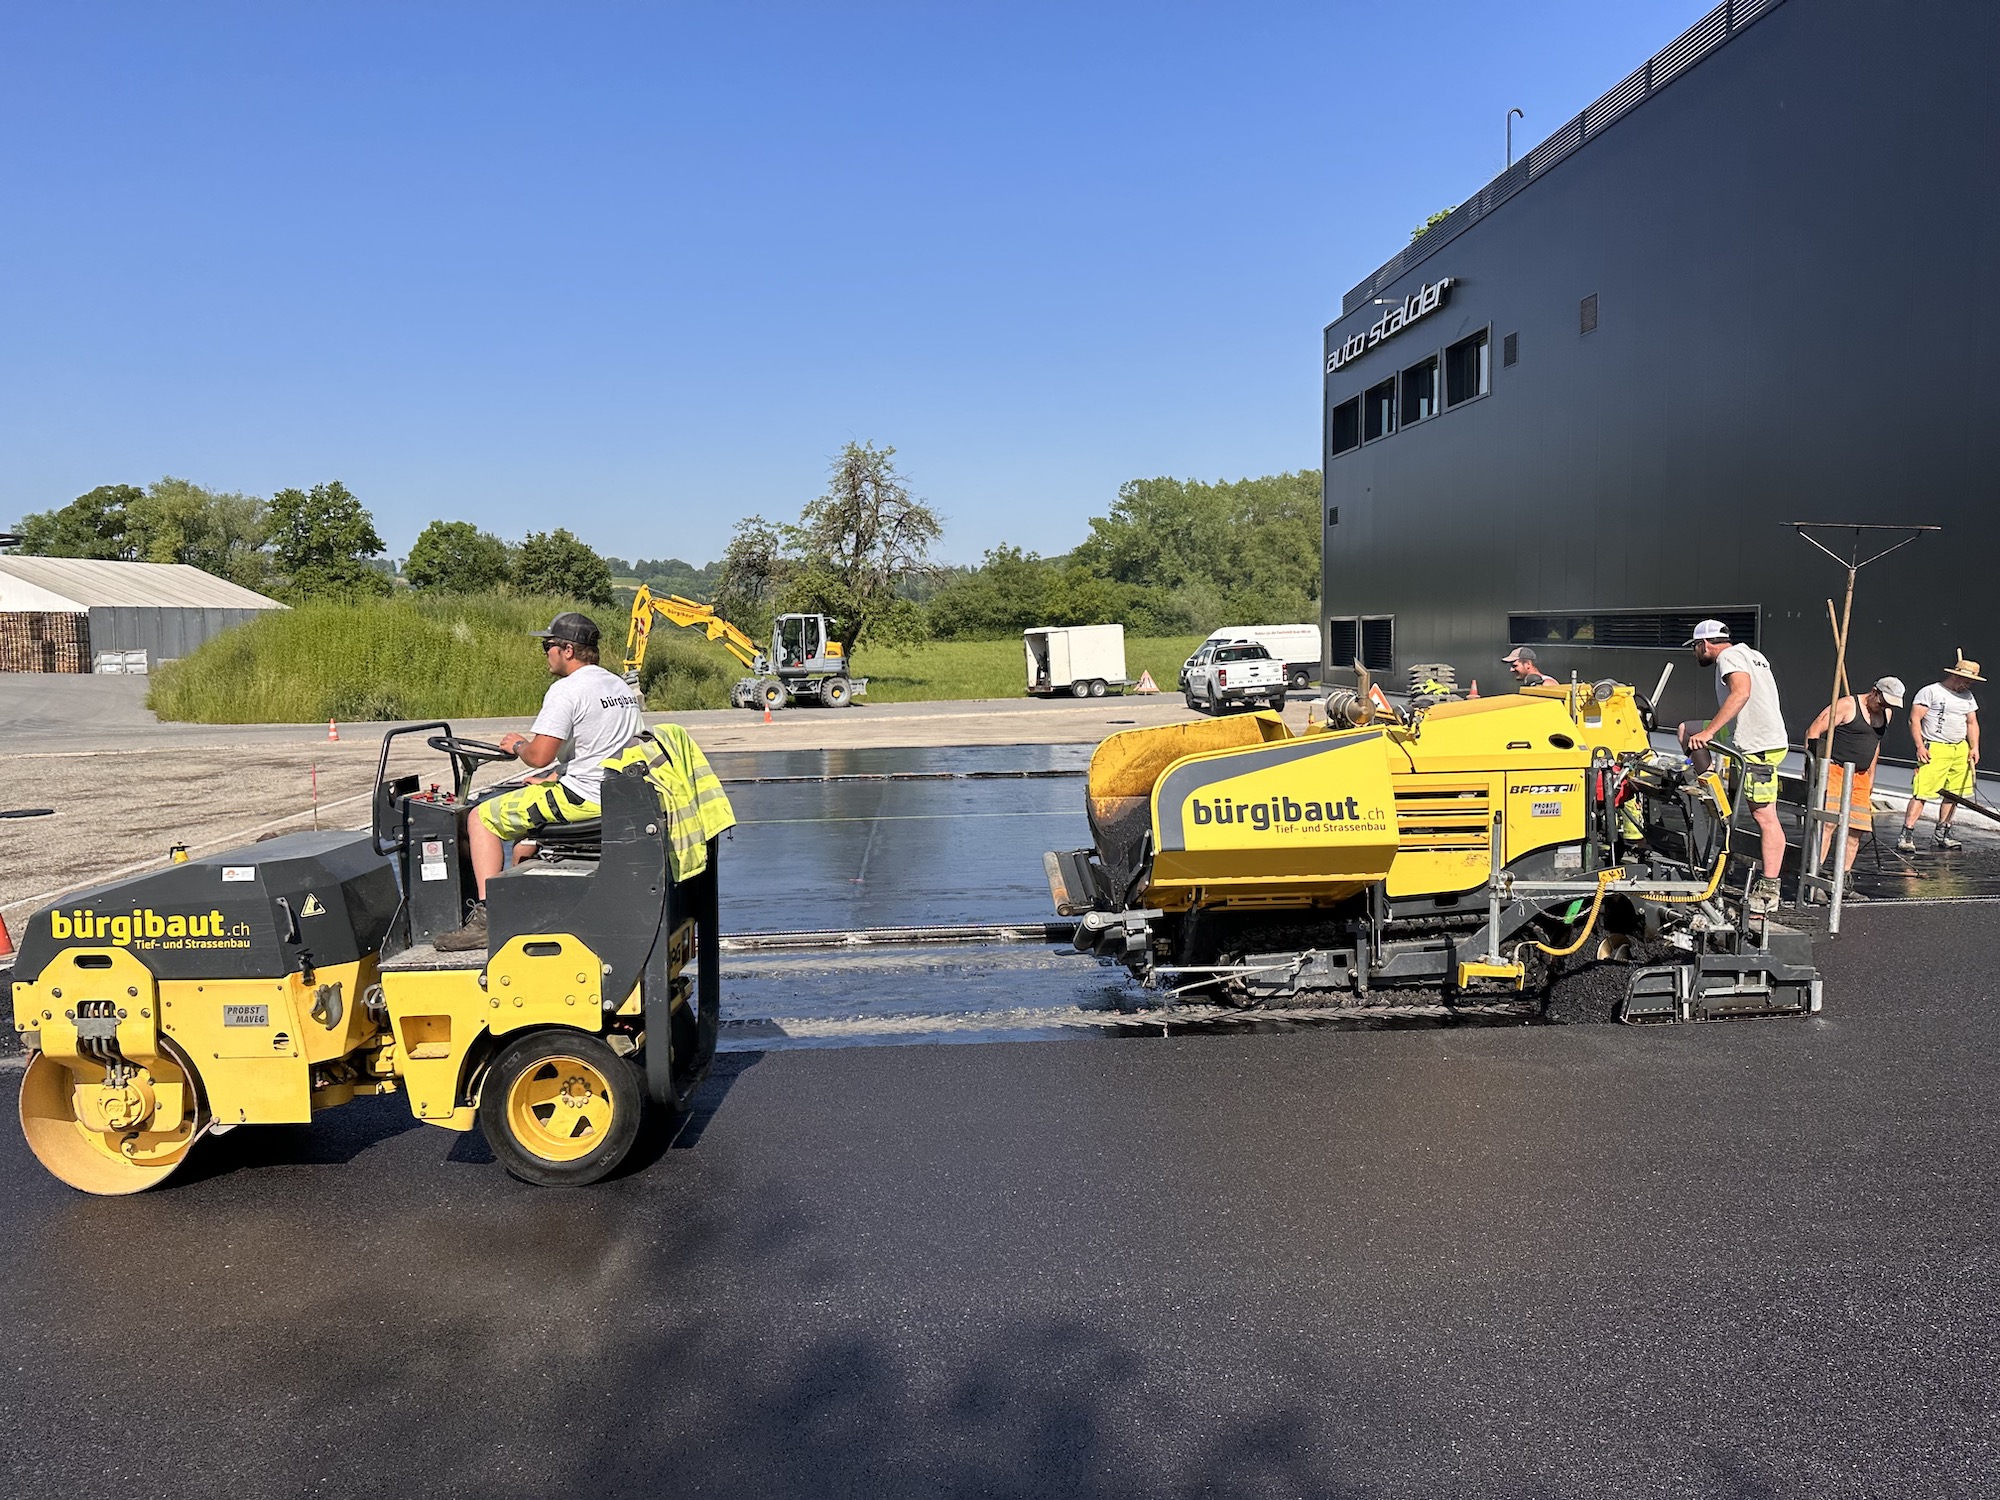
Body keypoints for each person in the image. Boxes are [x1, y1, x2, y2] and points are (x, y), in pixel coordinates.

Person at [437, 612, 645, 950]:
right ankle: (526, 901)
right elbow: (605, 747)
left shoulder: (567, 690)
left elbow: (538, 755)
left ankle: (487, 918)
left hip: (584, 797)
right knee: (524, 837)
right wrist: (554, 777)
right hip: (613, 792)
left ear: (567, 649)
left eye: (548, 646)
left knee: (481, 819)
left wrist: (516, 745)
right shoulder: (616, 685)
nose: (545, 652)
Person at [1679, 619, 1789, 916]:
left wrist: (1710, 732)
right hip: (1747, 734)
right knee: (1686, 730)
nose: (1695, 654)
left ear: (1705, 644)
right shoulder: (1751, 653)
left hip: (1760, 746)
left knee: (1765, 816)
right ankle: (1711, 791)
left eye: (1695, 648)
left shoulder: (1728, 657)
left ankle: (1769, 890)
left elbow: (1741, 692)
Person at [1805, 676, 1904, 878]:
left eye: (1888, 704)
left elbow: (1875, 745)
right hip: (1834, 771)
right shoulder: (1846, 706)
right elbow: (1813, 730)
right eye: (1882, 701)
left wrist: (1871, 777)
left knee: (1856, 829)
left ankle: (1843, 876)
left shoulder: (1887, 714)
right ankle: (1815, 874)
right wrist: (1812, 768)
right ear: (1874, 691)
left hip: (1860, 777)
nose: (1883, 706)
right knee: (1829, 824)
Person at [1897, 655, 1982, 854]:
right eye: (1967, 680)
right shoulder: (1931, 692)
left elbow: (1971, 722)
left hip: (1959, 748)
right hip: (1935, 747)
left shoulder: (1968, 696)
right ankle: (1907, 833)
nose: (1968, 685)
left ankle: (1943, 832)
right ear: (1956, 676)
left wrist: (1974, 746)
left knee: (1954, 794)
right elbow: (1915, 719)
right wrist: (1920, 746)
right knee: (1922, 792)